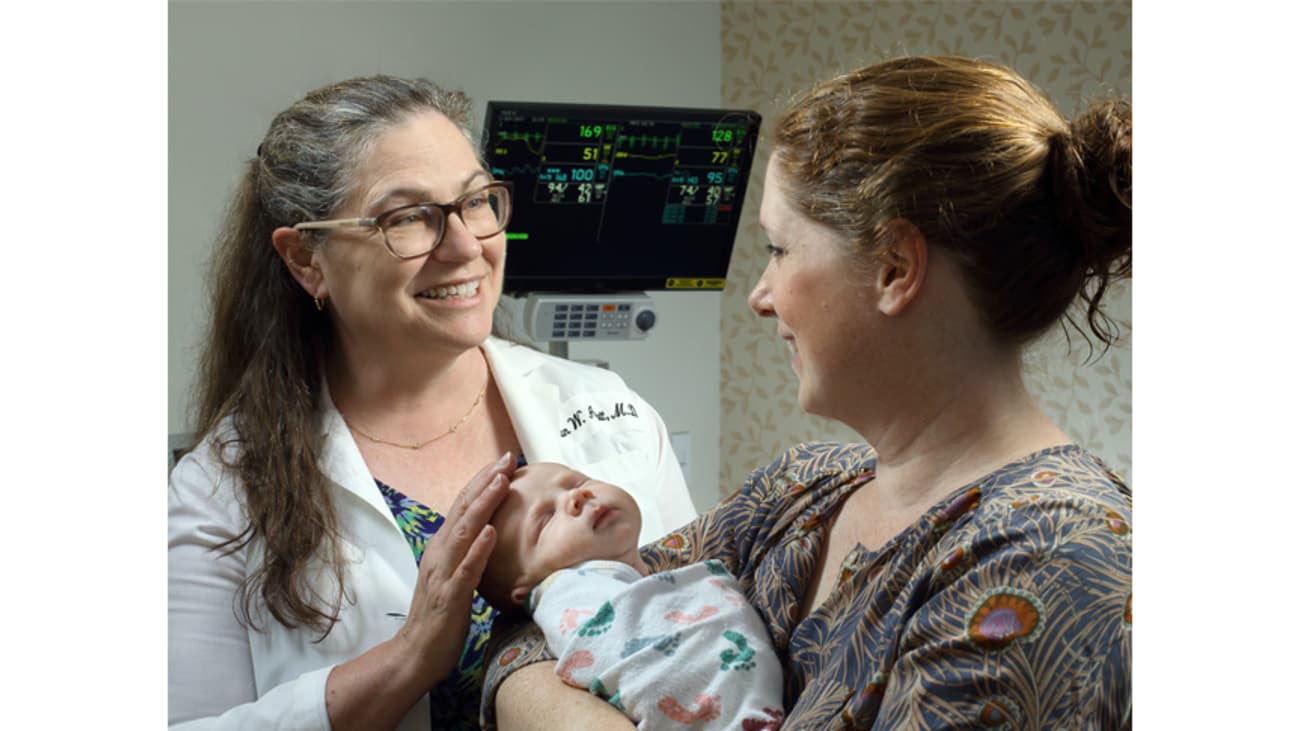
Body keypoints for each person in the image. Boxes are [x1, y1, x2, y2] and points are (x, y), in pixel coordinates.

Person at [484, 55, 1132, 729]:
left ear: (894, 267)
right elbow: (541, 622)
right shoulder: (800, 491)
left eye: (779, 249)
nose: (761, 297)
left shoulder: (1051, 562)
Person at [167, 75, 696, 731]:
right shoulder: (221, 488)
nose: (467, 246)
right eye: (409, 217)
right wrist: (408, 659)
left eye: (476, 201)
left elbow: (702, 627)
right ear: (307, 258)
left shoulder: (609, 412)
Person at [477, 462, 785, 730]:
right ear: (526, 588)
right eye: (545, 519)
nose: (577, 496)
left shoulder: (633, 580)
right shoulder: (564, 593)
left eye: (579, 481)